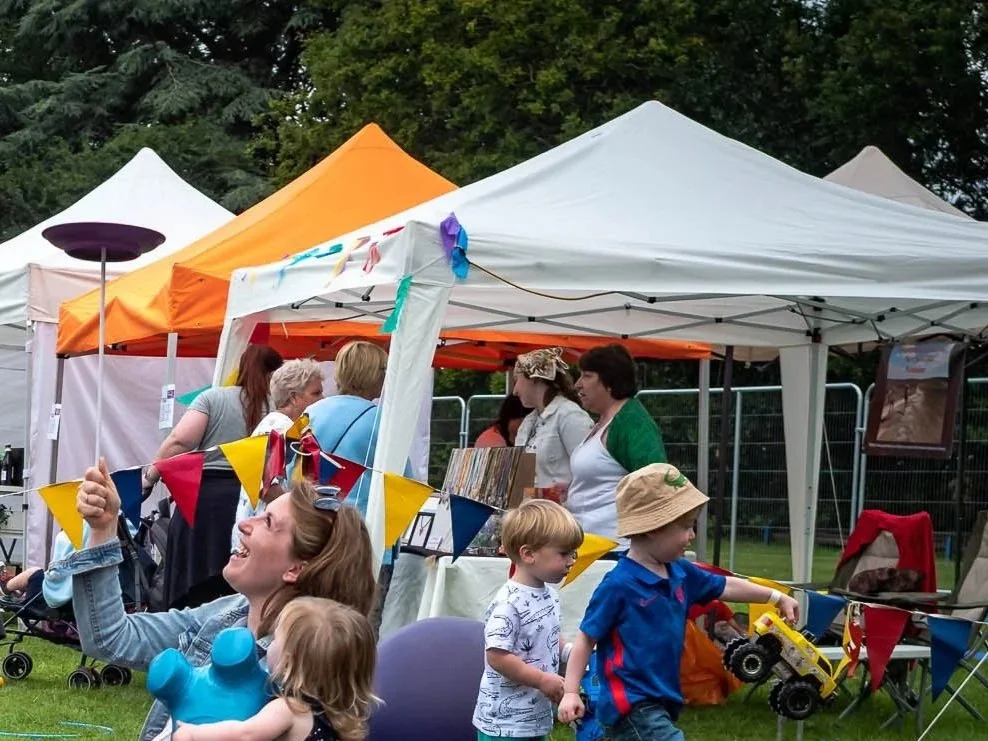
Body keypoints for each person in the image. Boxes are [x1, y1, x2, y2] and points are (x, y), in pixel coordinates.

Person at [63, 464, 376, 741]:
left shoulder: (299, 671)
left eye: (268, 522)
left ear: (296, 568)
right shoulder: (231, 611)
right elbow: (111, 637)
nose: (245, 523)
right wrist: (104, 529)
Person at [557, 463, 799, 741]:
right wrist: (571, 691)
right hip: (630, 703)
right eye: (685, 527)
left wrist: (775, 596)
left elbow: (726, 585)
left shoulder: (680, 572)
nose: (692, 535)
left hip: (662, 697)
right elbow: (586, 638)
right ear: (652, 528)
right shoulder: (618, 585)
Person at [144, 344, 284, 609]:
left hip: (201, 501)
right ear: (275, 374)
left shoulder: (212, 398)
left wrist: (149, 478)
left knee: (190, 595)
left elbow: (179, 441)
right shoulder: (280, 412)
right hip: (250, 506)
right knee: (237, 595)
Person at [173, 596, 377, 741]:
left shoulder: (289, 709)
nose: (269, 644)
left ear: (288, 662)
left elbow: (245, 734)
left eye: (275, 639)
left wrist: (194, 734)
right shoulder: (336, 719)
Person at [472, 499, 584, 741]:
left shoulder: (549, 595)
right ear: (529, 554)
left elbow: (548, 634)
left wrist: (572, 652)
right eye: (564, 553)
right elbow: (497, 656)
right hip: (504, 723)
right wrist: (542, 680)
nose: (572, 560)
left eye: (573, 552)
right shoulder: (508, 603)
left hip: (534, 717)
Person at [565, 343, 666, 545]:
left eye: (587, 376)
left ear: (610, 380)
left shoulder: (632, 423)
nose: (577, 384)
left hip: (614, 547)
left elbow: (655, 483)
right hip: (592, 544)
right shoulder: (608, 421)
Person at [231, 359, 325, 550]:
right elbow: (266, 487)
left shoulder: (275, 425)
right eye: (316, 393)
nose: (323, 399)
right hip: (264, 535)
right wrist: (303, 512)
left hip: (254, 532)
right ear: (294, 397)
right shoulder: (281, 428)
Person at [303, 341, 391, 518]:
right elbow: (402, 479)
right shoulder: (382, 419)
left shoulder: (311, 412)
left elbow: (294, 466)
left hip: (313, 514)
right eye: (384, 370)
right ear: (374, 375)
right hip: (359, 519)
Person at [512, 348, 593, 498]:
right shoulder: (528, 423)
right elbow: (523, 481)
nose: (515, 391)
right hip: (534, 510)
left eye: (517, 380)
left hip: (564, 511)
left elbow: (590, 473)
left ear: (535, 379)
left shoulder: (570, 416)